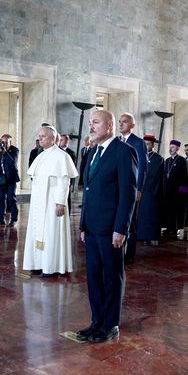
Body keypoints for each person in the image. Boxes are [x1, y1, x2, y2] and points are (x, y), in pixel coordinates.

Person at [76, 109, 137, 344]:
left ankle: (110, 324)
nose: (91, 126)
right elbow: (89, 192)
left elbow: (127, 195)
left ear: (110, 125)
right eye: (90, 123)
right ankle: (96, 321)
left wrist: (121, 228)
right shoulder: (93, 152)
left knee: (111, 277)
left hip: (111, 228)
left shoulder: (124, 152)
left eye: (96, 122)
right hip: (91, 227)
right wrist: (83, 225)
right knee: (93, 277)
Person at [22, 125, 78, 277]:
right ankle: (38, 264)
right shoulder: (40, 155)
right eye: (39, 136)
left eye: (43, 136)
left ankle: (51, 266)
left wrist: (61, 202)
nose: (39, 139)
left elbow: (64, 181)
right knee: (37, 232)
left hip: (53, 202)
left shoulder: (62, 156)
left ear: (53, 139)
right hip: (39, 202)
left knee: (51, 233)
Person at [117, 113, 147, 264]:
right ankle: (118, 251)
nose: (121, 124)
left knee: (131, 222)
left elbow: (142, 168)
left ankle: (129, 255)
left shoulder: (138, 142)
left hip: (133, 189)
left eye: (125, 122)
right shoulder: (116, 141)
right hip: (118, 189)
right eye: (120, 122)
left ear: (132, 125)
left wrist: (139, 189)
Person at [136, 134, 163, 245]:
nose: (145, 146)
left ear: (152, 145)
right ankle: (141, 236)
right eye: (144, 144)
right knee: (141, 215)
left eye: (147, 144)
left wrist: (153, 192)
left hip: (151, 192)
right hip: (140, 190)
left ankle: (152, 237)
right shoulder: (139, 156)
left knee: (150, 216)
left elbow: (157, 176)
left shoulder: (158, 158)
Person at [0, 134, 20, 226]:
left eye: (6, 142)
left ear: (10, 142)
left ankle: (13, 219)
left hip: (11, 178)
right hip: (1, 179)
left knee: (11, 198)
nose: (4, 144)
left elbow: (13, 162)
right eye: (3, 142)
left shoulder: (14, 150)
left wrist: (5, 152)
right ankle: (1, 219)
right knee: (0, 199)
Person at [162, 139, 188, 239]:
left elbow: (185, 177)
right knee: (167, 209)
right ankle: (168, 227)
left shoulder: (182, 161)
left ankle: (175, 228)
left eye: (173, 147)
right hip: (167, 191)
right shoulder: (167, 161)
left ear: (177, 148)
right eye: (170, 147)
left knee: (177, 210)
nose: (171, 148)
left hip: (178, 192)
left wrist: (183, 193)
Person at [58, 134, 77, 213]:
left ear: (67, 141)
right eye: (60, 140)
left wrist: (71, 181)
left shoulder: (71, 153)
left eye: (62, 140)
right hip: (58, 177)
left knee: (67, 196)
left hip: (67, 178)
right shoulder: (57, 151)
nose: (60, 141)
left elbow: (72, 168)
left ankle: (67, 213)